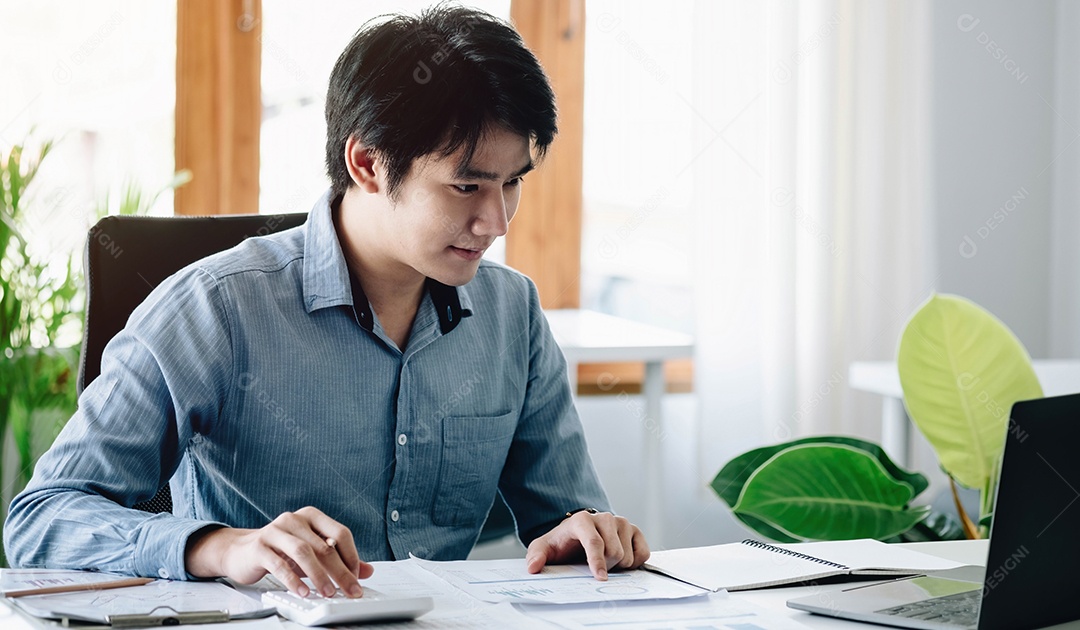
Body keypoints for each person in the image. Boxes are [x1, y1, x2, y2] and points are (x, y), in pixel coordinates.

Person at [4, 4, 649, 599]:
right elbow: (40, 520)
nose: (497, 220)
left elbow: (565, 515)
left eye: (513, 184)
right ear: (367, 163)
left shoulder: (513, 314)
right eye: (466, 186)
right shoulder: (210, 309)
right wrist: (222, 546)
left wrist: (585, 535)